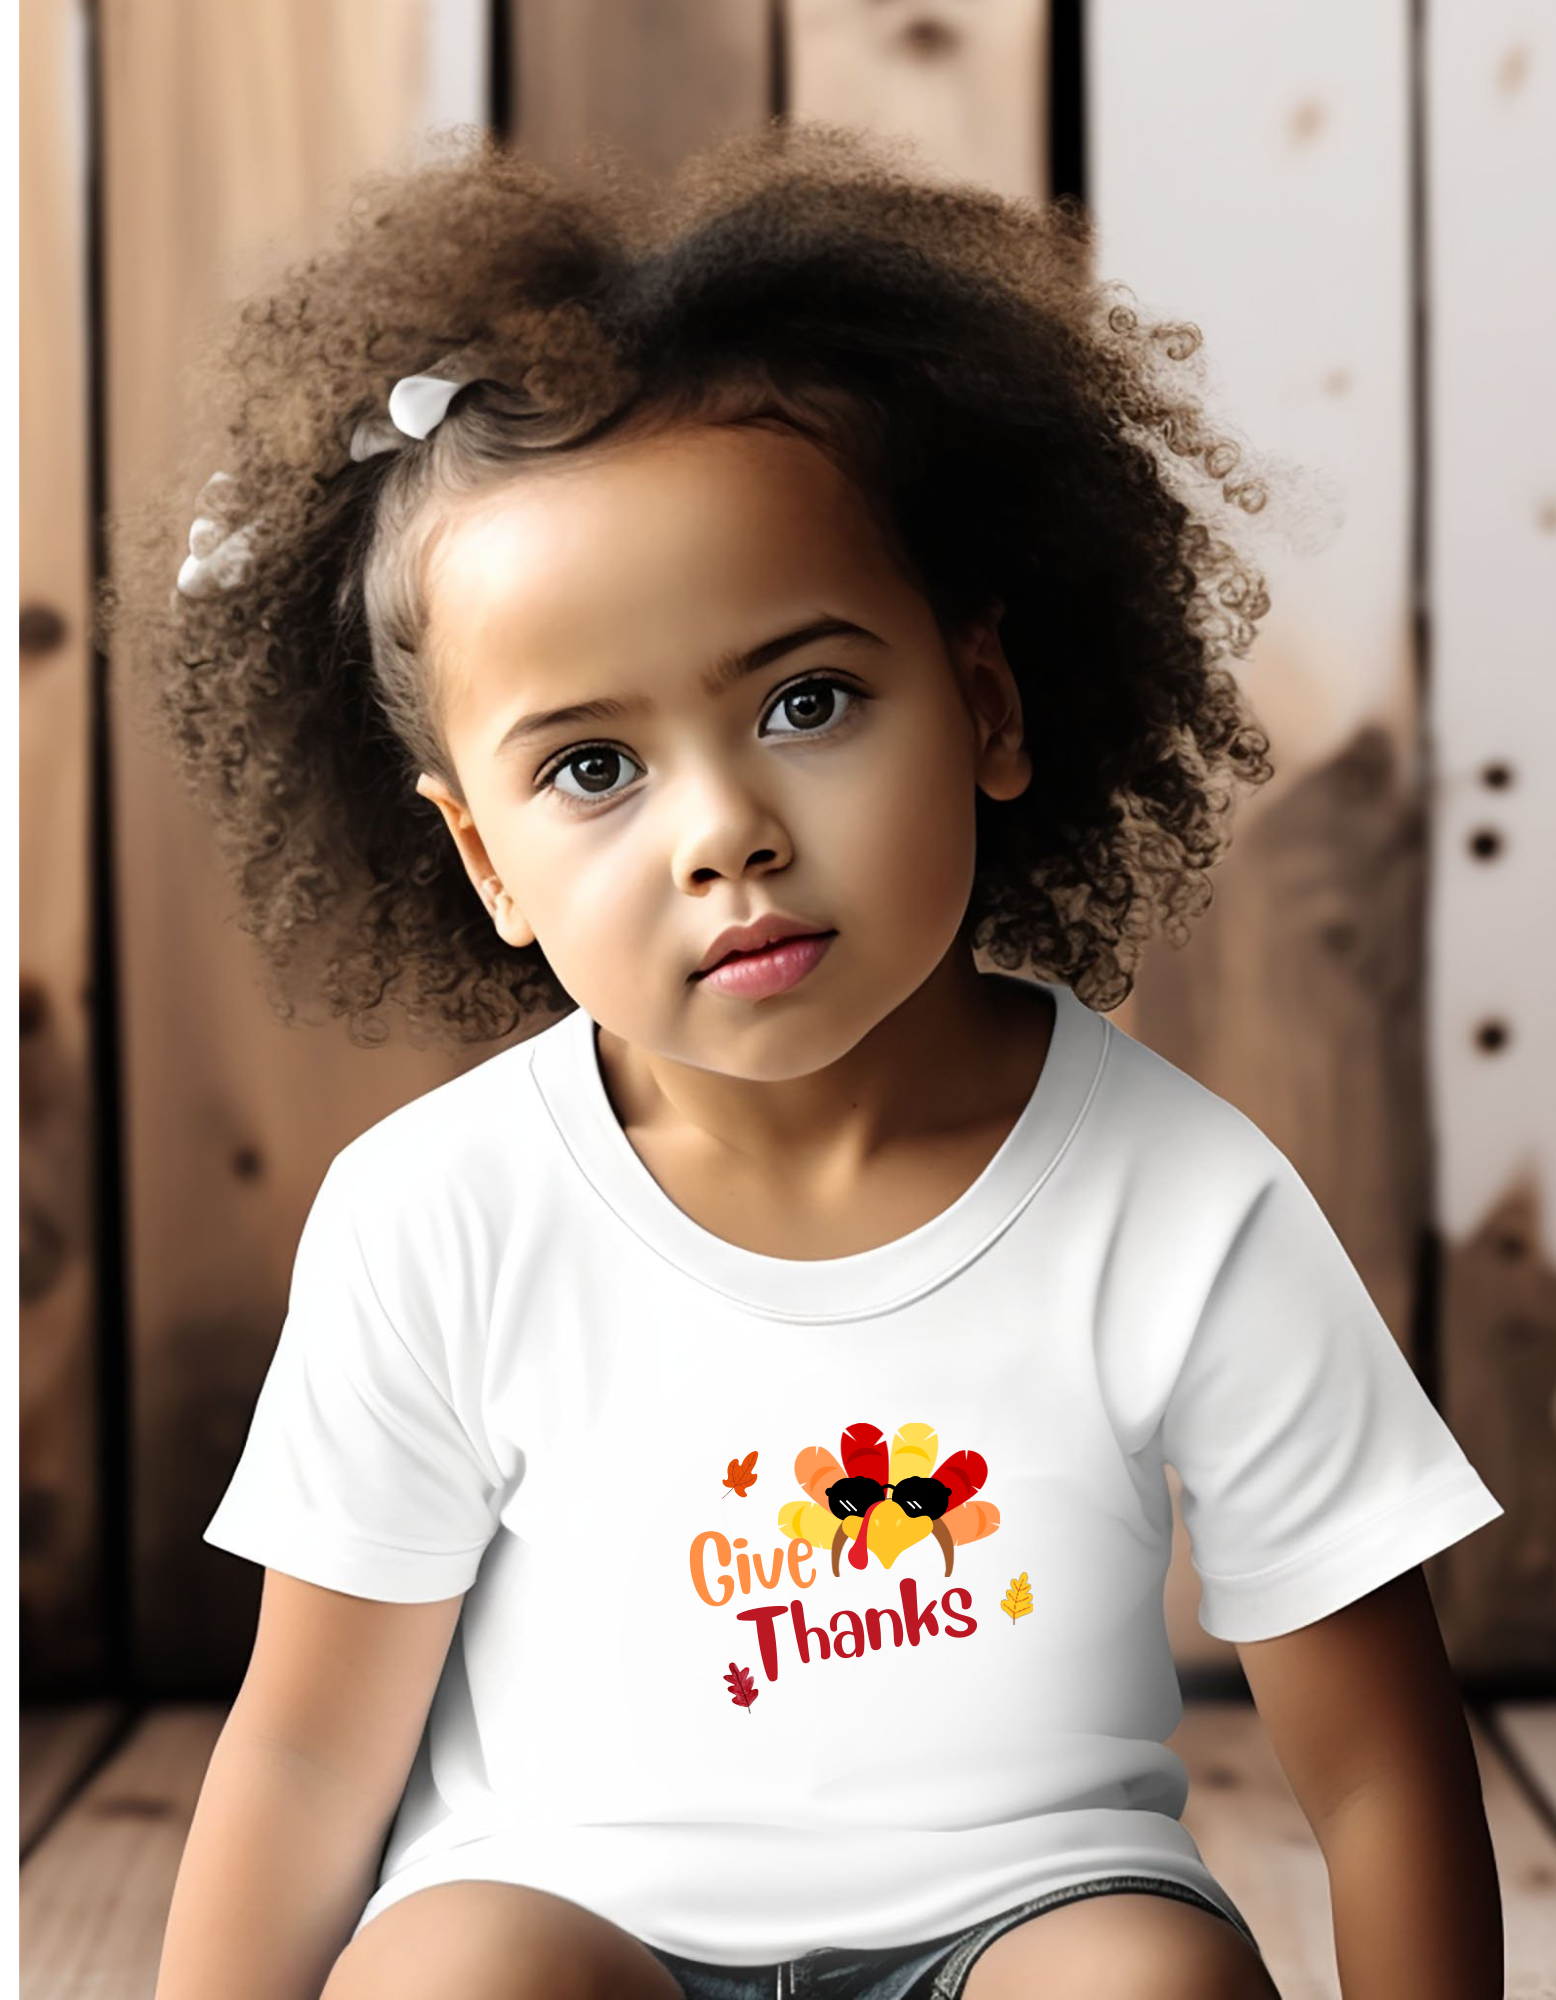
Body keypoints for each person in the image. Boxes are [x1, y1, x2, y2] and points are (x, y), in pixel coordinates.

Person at [100, 120, 1505, 2000]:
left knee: (1146, 1984)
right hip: (576, 1923)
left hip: (1026, 1920)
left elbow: (1382, 1761)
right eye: (593, 766)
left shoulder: (1182, 1197)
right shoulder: (439, 1215)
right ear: (482, 860)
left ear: (987, 704)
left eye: (808, 700)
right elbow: (302, 1749)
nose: (726, 831)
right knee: (454, 1977)